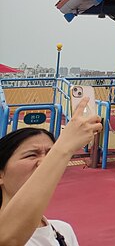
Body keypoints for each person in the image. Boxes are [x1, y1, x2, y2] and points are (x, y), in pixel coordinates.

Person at [0, 97, 102, 245]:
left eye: (50, 155)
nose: (44, 163)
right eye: (31, 155)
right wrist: (63, 147)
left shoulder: (63, 230)